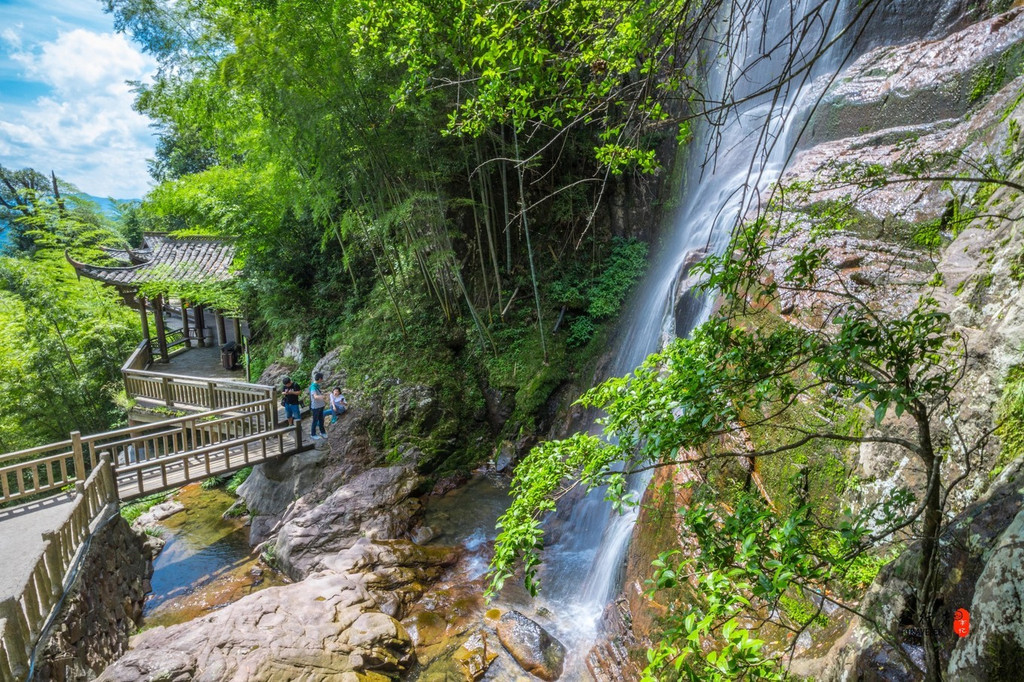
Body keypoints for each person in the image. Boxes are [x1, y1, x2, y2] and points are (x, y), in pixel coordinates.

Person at [309, 372, 328, 440]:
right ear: (319, 379)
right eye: (322, 379)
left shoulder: (317, 385)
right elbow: (315, 397)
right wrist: (323, 396)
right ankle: (313, 434)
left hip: (320, 405)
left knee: (321, 419)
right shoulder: (313, 387)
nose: (322, 380)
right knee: (315, 420)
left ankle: (322, 432)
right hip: (315, 406)